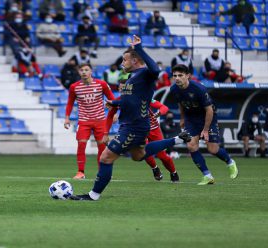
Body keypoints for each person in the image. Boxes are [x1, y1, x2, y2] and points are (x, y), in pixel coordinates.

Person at [70, 36, 192, 201]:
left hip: (134, 127)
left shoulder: (145, 74)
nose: (122, 63)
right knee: (138, 155)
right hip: (131, 125)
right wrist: (114, 102)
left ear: (135, 60)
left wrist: (140, 48)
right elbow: (130, 98)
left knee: (106, 157)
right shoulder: (133, 77)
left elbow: (155, 70)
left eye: (124, 60)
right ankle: (176, 140)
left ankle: (93, 195)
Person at [169, 64, 238, 185]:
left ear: (188, 76)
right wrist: (182, 117)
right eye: (175, 75)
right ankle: (207, 176)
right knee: (191, 146)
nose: (177, 78)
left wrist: (205, 130)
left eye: (180, 75)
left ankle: (230, 162)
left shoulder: (199, 89)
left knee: (212, 149)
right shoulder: (174, 89)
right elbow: (180, 103)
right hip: (191, 119)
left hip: (207, 118)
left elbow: (209, 110)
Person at [106, 91, 180, 182]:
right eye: (121, 88)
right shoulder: (120, 100)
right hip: (138, 130)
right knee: (143, 153)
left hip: (153, 129)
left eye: (124, 88)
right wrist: (106, 132)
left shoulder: (144, 97)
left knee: (162, 155)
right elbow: (110, 114)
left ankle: (173, 172)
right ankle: (155, 168)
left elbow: (164, 107)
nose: (123, 91)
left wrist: (160, 112)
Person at [64, 63, 115, 180]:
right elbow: (70, 103)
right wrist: (67, 117)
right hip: (84, 120)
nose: (83, 72)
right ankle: (80, 172)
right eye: (81, 70)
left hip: (100, 120)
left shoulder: (101, 84)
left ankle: (102, 173)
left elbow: (112, 98)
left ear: (91, 71)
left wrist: (115, 112)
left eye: (86, 70)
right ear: (78, 72)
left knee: (101, 147)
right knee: (81, 145)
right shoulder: (74, 87)